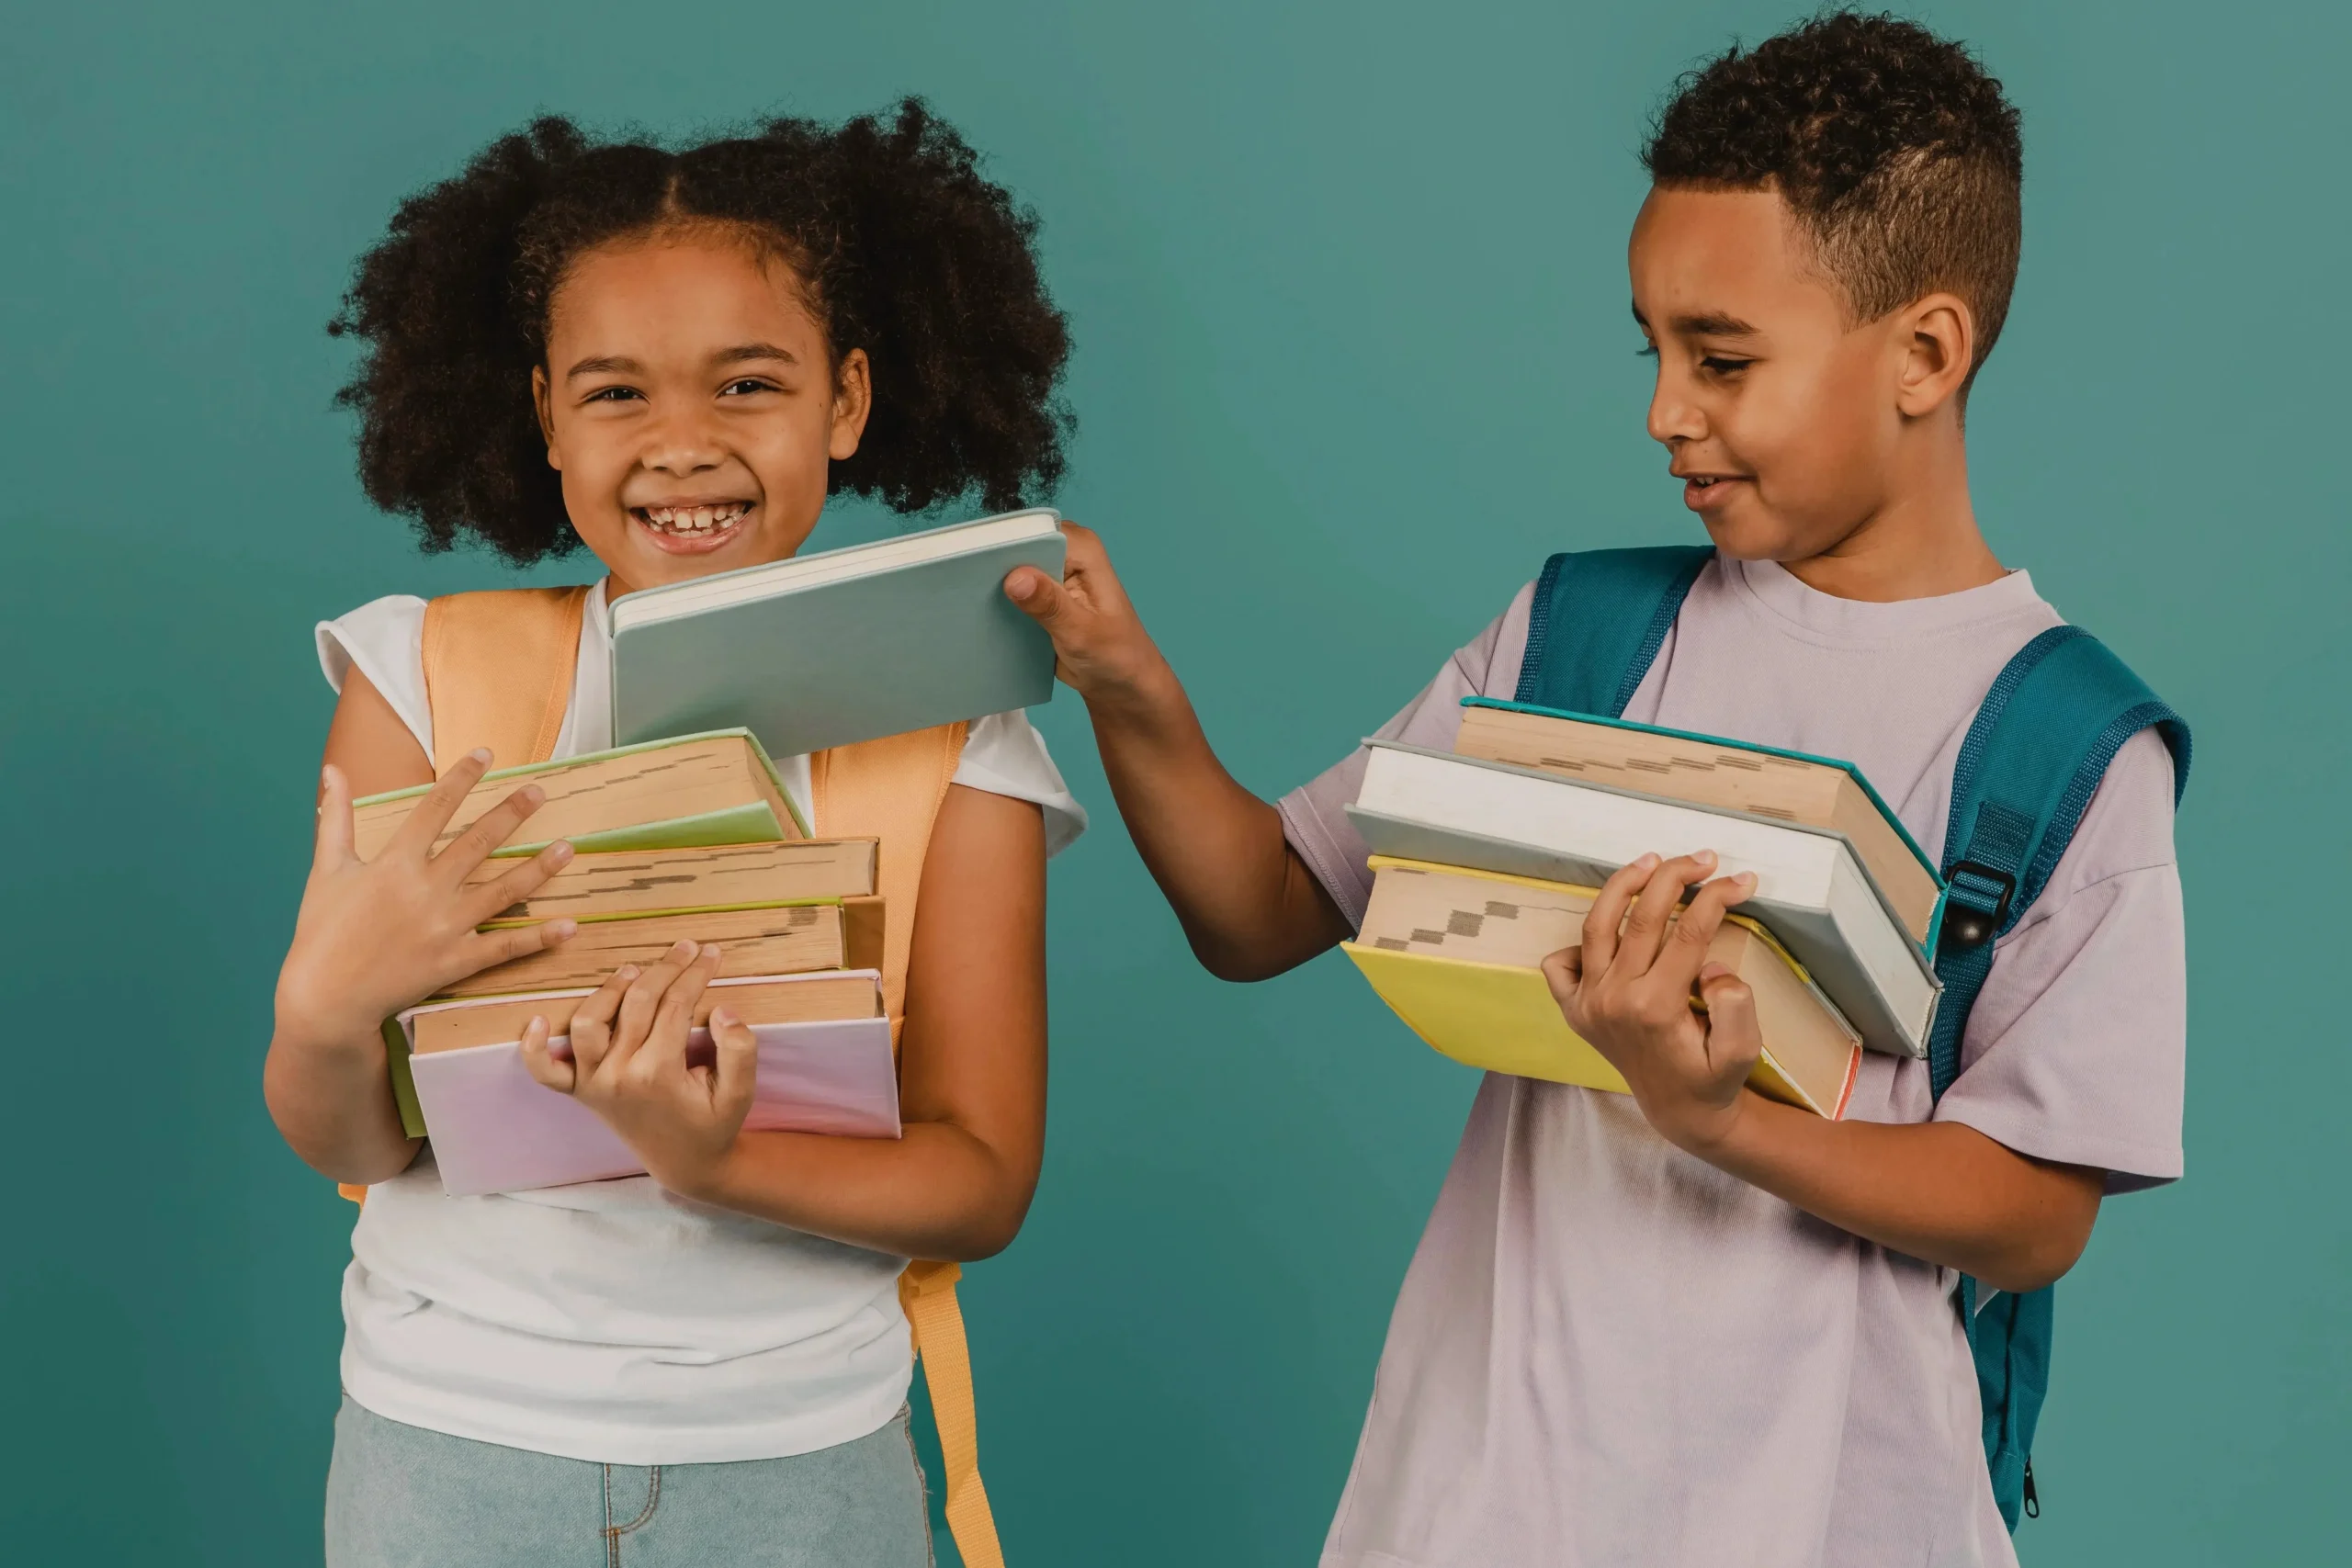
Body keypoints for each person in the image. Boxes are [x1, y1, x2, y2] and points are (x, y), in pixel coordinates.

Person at [1003, 14, 2184, 1565]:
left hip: (1840, 1513)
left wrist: (1719, 1121)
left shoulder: (2068, 744)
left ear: (1926, 352)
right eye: (1655, 348)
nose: (1664, 411)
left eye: (1725, 358)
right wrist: (1131, 695)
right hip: (1482, 1497)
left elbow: (2039, 1208)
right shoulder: (1577, 635)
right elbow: (1260, 908)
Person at [265, 101, 1085, 1566]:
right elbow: (355, 1135)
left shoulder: (964, 741)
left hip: (793, 1466)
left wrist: (713, 1159)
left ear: (844, 401)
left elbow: (981, 1180)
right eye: (616, 393)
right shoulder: (416, 678)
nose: (682, 447)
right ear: (543, 414)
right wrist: (323, 1005)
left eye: (747, 384)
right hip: (446, 1448)